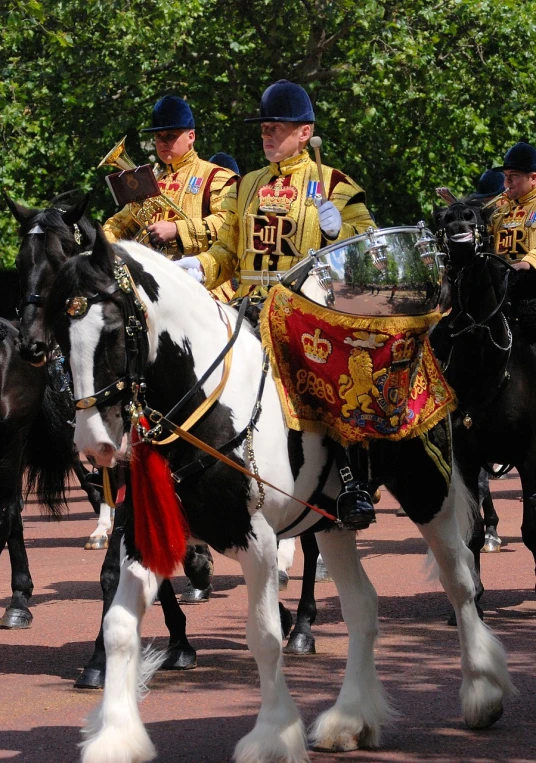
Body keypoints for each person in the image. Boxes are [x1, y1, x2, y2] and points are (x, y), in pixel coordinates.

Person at [177, 79, 377, 530]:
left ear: (305, 132)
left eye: (276, 128)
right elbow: (228, 253)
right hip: (247, 308)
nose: (267, 136)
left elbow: (368, 252)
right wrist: (198, 268)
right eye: (263, 128)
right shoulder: (246, 185)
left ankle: (352, 481)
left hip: (308, 311)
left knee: (333, 381)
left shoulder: (335, 185)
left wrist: (336, 233)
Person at [103, 95, 239, 300]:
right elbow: (118, 224)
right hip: (152, 282)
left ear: (191, 136)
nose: (163, 142)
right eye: (159, 137)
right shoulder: (150, 181)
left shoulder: (217, 176)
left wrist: (176, 230)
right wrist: (105, 249)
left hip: (203, 285)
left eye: (171, 136)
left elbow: (228, 224)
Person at [490, 142, 536, 272]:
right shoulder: (499, 213)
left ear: (533, 178)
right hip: (504, 283)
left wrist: (529, 262)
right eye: (506, 175)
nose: (507, 181)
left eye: (514, 175)